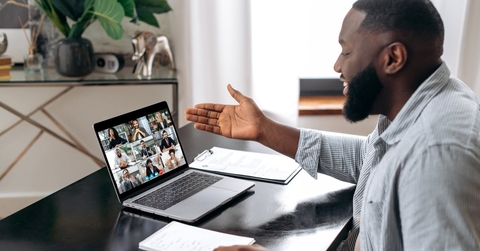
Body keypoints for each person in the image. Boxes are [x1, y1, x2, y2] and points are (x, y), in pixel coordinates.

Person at [185, 0, 480, 250]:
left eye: (347, 52)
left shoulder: (435, 157)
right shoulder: (425, 98)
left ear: (393, 58)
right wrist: (265, 130)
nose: (337, 66)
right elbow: (369, 158)